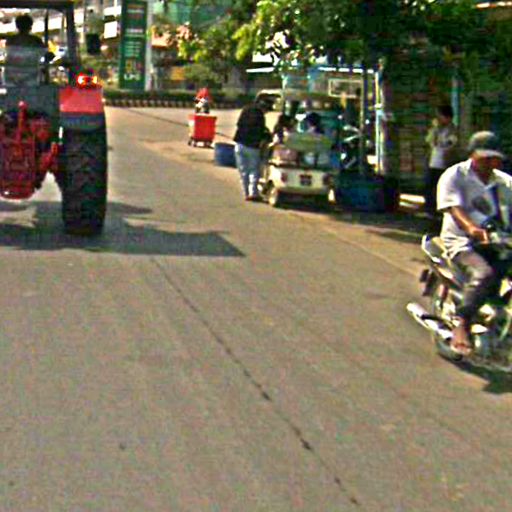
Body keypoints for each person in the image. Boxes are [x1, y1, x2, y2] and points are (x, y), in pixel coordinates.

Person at [437, 131, 512, 355]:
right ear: (472, 154)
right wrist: (472, 228)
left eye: (494, 158)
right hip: (463, 241)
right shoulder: (454, 176)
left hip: (500, 241)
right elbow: (454, 208)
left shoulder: (505, 182)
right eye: (485, 157)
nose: (490, 162)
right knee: (484, 274)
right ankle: (462, 322)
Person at [233, 97, 271, 201]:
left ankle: (246, 192)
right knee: (254, 170)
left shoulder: (246, 109)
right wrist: (267, 136)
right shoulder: (259, 116)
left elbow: (239, 124)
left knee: (243, 171)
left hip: (239, 144)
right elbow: (260, 132)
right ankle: (253, 192)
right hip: (252, 146)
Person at [425, 105, 458, 215]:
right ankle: (430, 208)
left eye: (441, 116)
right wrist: (435, 129)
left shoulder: (452, 130)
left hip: (445, 162)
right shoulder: (437, 129)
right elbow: (430, 141)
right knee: (430, 186)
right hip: (433, 161)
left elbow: (450, 144)